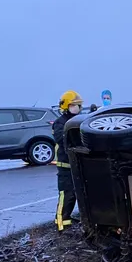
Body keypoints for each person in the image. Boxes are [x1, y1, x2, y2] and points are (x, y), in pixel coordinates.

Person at [53, 90, 83, 232]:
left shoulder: (79, 120)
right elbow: (61, 138)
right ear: (66, 106)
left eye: (78, 105)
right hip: (65, 165)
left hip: (77, 165)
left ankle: (69, 221)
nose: (76, 108)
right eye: (73, 105)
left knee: (78, 194)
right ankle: (61, 224)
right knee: (67, 195)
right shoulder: (60, 123)